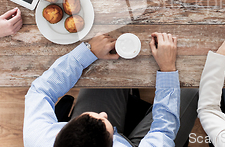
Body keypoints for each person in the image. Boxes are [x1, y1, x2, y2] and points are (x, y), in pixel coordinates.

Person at [23, 32, 198, 147]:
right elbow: (163, 131)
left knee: (107, 65)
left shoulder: (38, 138)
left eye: (93, 115)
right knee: (192, 91)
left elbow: (40, 91)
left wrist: (87, 53)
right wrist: (167, 69)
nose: (103, 113)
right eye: (104, 121)